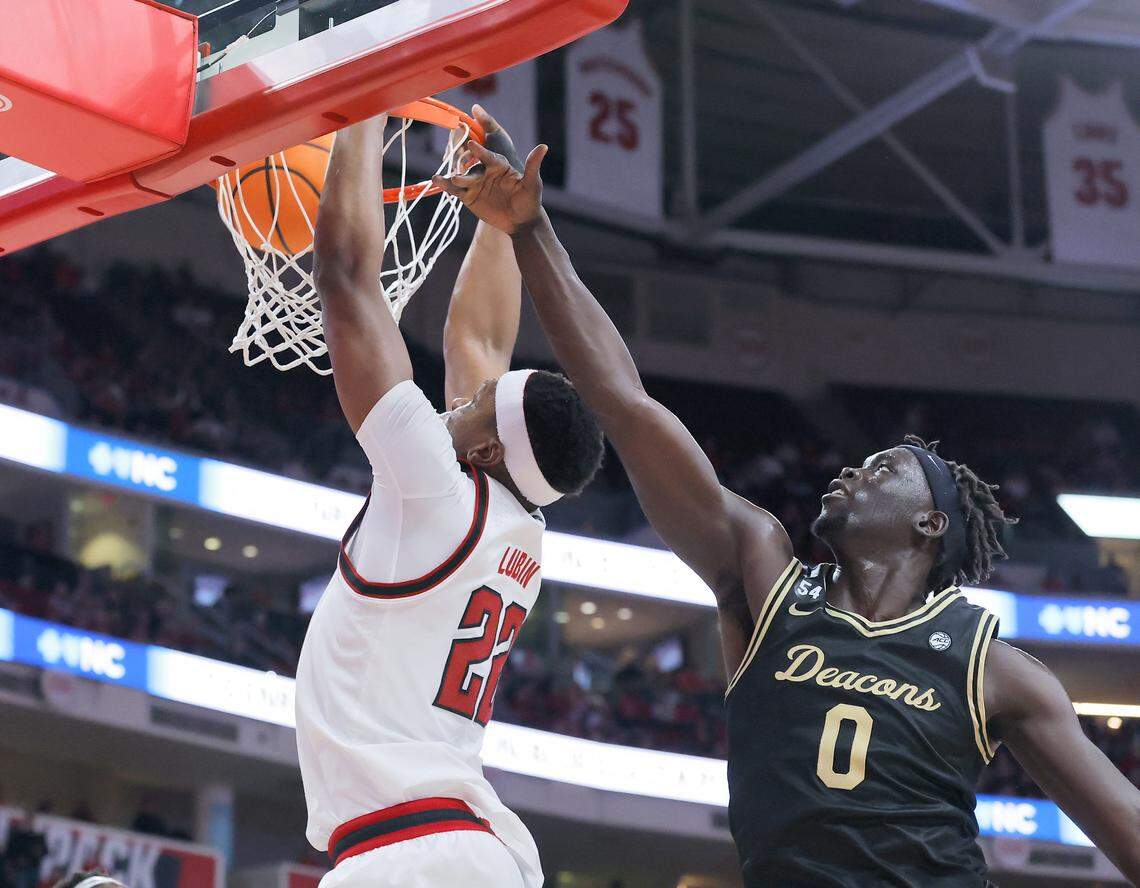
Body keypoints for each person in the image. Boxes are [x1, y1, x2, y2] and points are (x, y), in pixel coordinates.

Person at [435, 122, 1140, 887]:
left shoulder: (994, 669)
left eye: (883, 469)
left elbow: (1128, 829)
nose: (849, 472)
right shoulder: (764, 572)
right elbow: (625, 405)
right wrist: (531, 230)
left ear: (930, 523)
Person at [293, 107, 604, 888]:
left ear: (489, 448)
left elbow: (346, 276)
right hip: (465, 847)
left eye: (466, 410)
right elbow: (481, 349)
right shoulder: (517, 522)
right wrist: (499, 225)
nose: (451, 404)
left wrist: (360, 103)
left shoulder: (432, 489)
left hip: (409, 854)